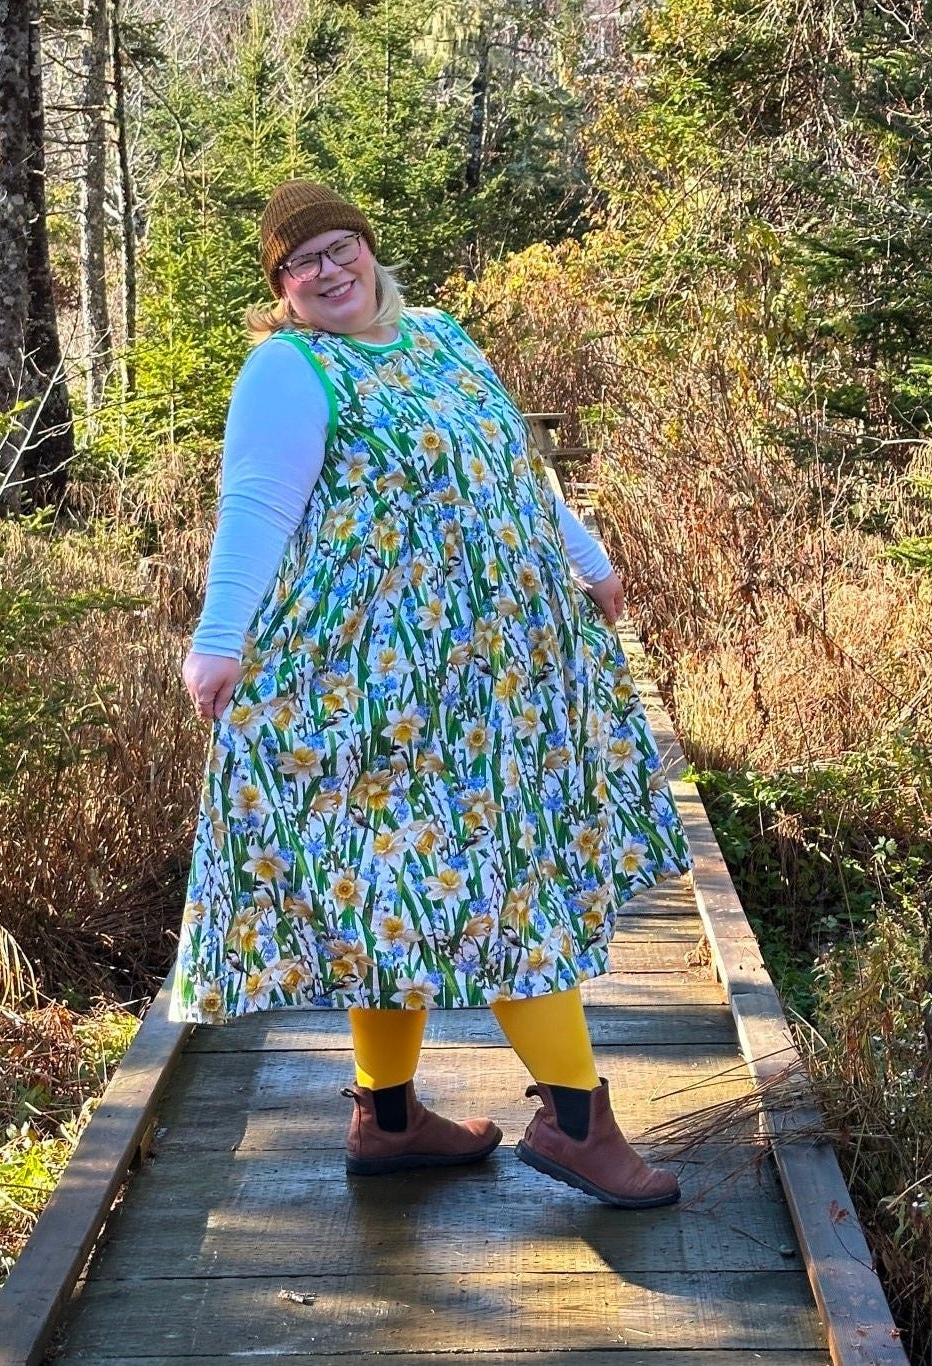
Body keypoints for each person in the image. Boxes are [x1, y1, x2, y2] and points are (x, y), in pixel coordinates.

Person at [174, 180, 691, 1209]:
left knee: (404, 886)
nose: (327, 271)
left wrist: (587, 559)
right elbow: (256, 509)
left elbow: (513, 470)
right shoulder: (290, 368)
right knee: (498, 879)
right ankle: (575, 1123)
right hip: (378, 682)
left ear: (369, 248)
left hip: (499, 679)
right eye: (301, 263)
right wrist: (218, 639)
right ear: (281, 286)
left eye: (340, 248)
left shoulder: (443, 339)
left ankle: (390, 1119)